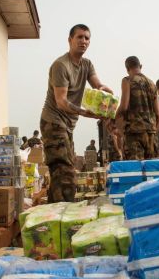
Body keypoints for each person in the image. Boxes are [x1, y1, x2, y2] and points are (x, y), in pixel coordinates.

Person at [40, 24, 112, 202]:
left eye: (87, 38)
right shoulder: (61, 65)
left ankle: (52, 217)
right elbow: (61, 101)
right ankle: (63, 217)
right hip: (53, 122)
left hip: (67, 125)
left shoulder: (86, 64)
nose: (83, 41)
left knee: (61, 173)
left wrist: (106, 93)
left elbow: (97, 85)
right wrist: (86, 113)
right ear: (70, 40)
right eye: (79, 37)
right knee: (65, 175)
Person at [116, 56, 159, 160]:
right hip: (151, 134)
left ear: (127, 69)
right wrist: (154, 132)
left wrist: (115, 117)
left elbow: (124, 106)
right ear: (140, 66)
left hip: (134, 134)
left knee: (135, 171)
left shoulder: (127, 80)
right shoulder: (152, 85)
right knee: (152, 172)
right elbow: (158, 114)